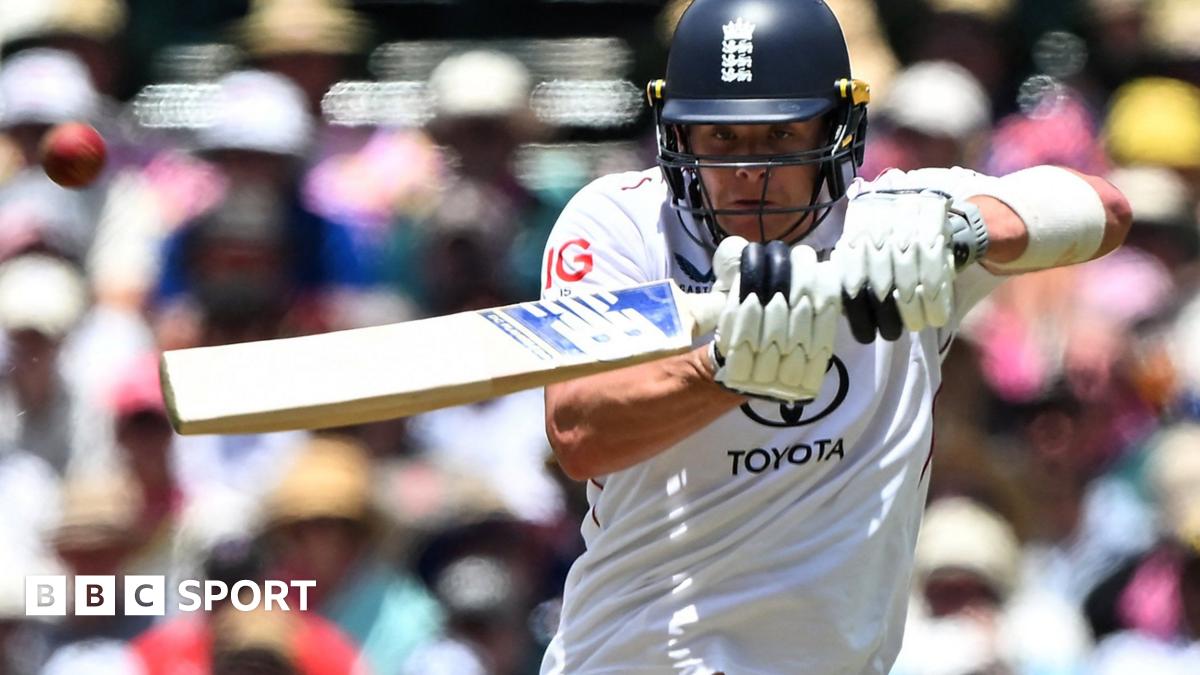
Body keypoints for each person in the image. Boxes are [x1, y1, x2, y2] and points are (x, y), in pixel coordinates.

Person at [537, 1, 1131, 673]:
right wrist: (727, 371)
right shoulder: (623, 224)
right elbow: (579, 432)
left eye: (779, 137)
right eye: (721, 138)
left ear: (838, 128)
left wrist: (962, 229)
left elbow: (1107, 212)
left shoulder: (900, 221)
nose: (747, 174)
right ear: (677, 134)